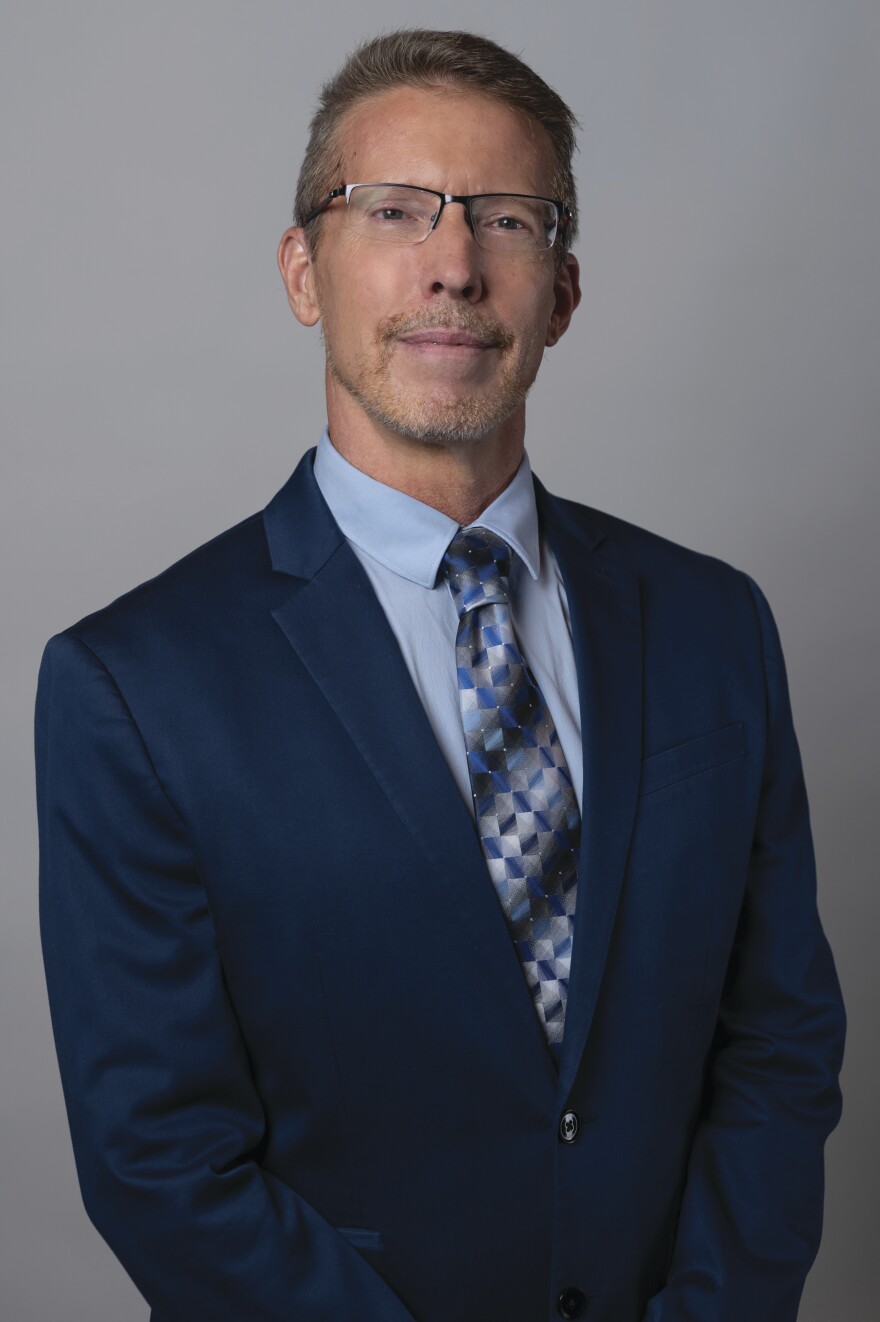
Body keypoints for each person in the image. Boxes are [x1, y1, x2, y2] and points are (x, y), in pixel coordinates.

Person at [35, 28, 845, 1322]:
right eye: (397, 210)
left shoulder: (716, 628)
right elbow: (159, 1159)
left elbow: (780, 1043)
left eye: (508, 219)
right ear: (305, 271)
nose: (455, 265)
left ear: (564, 290)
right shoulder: (131, 688)